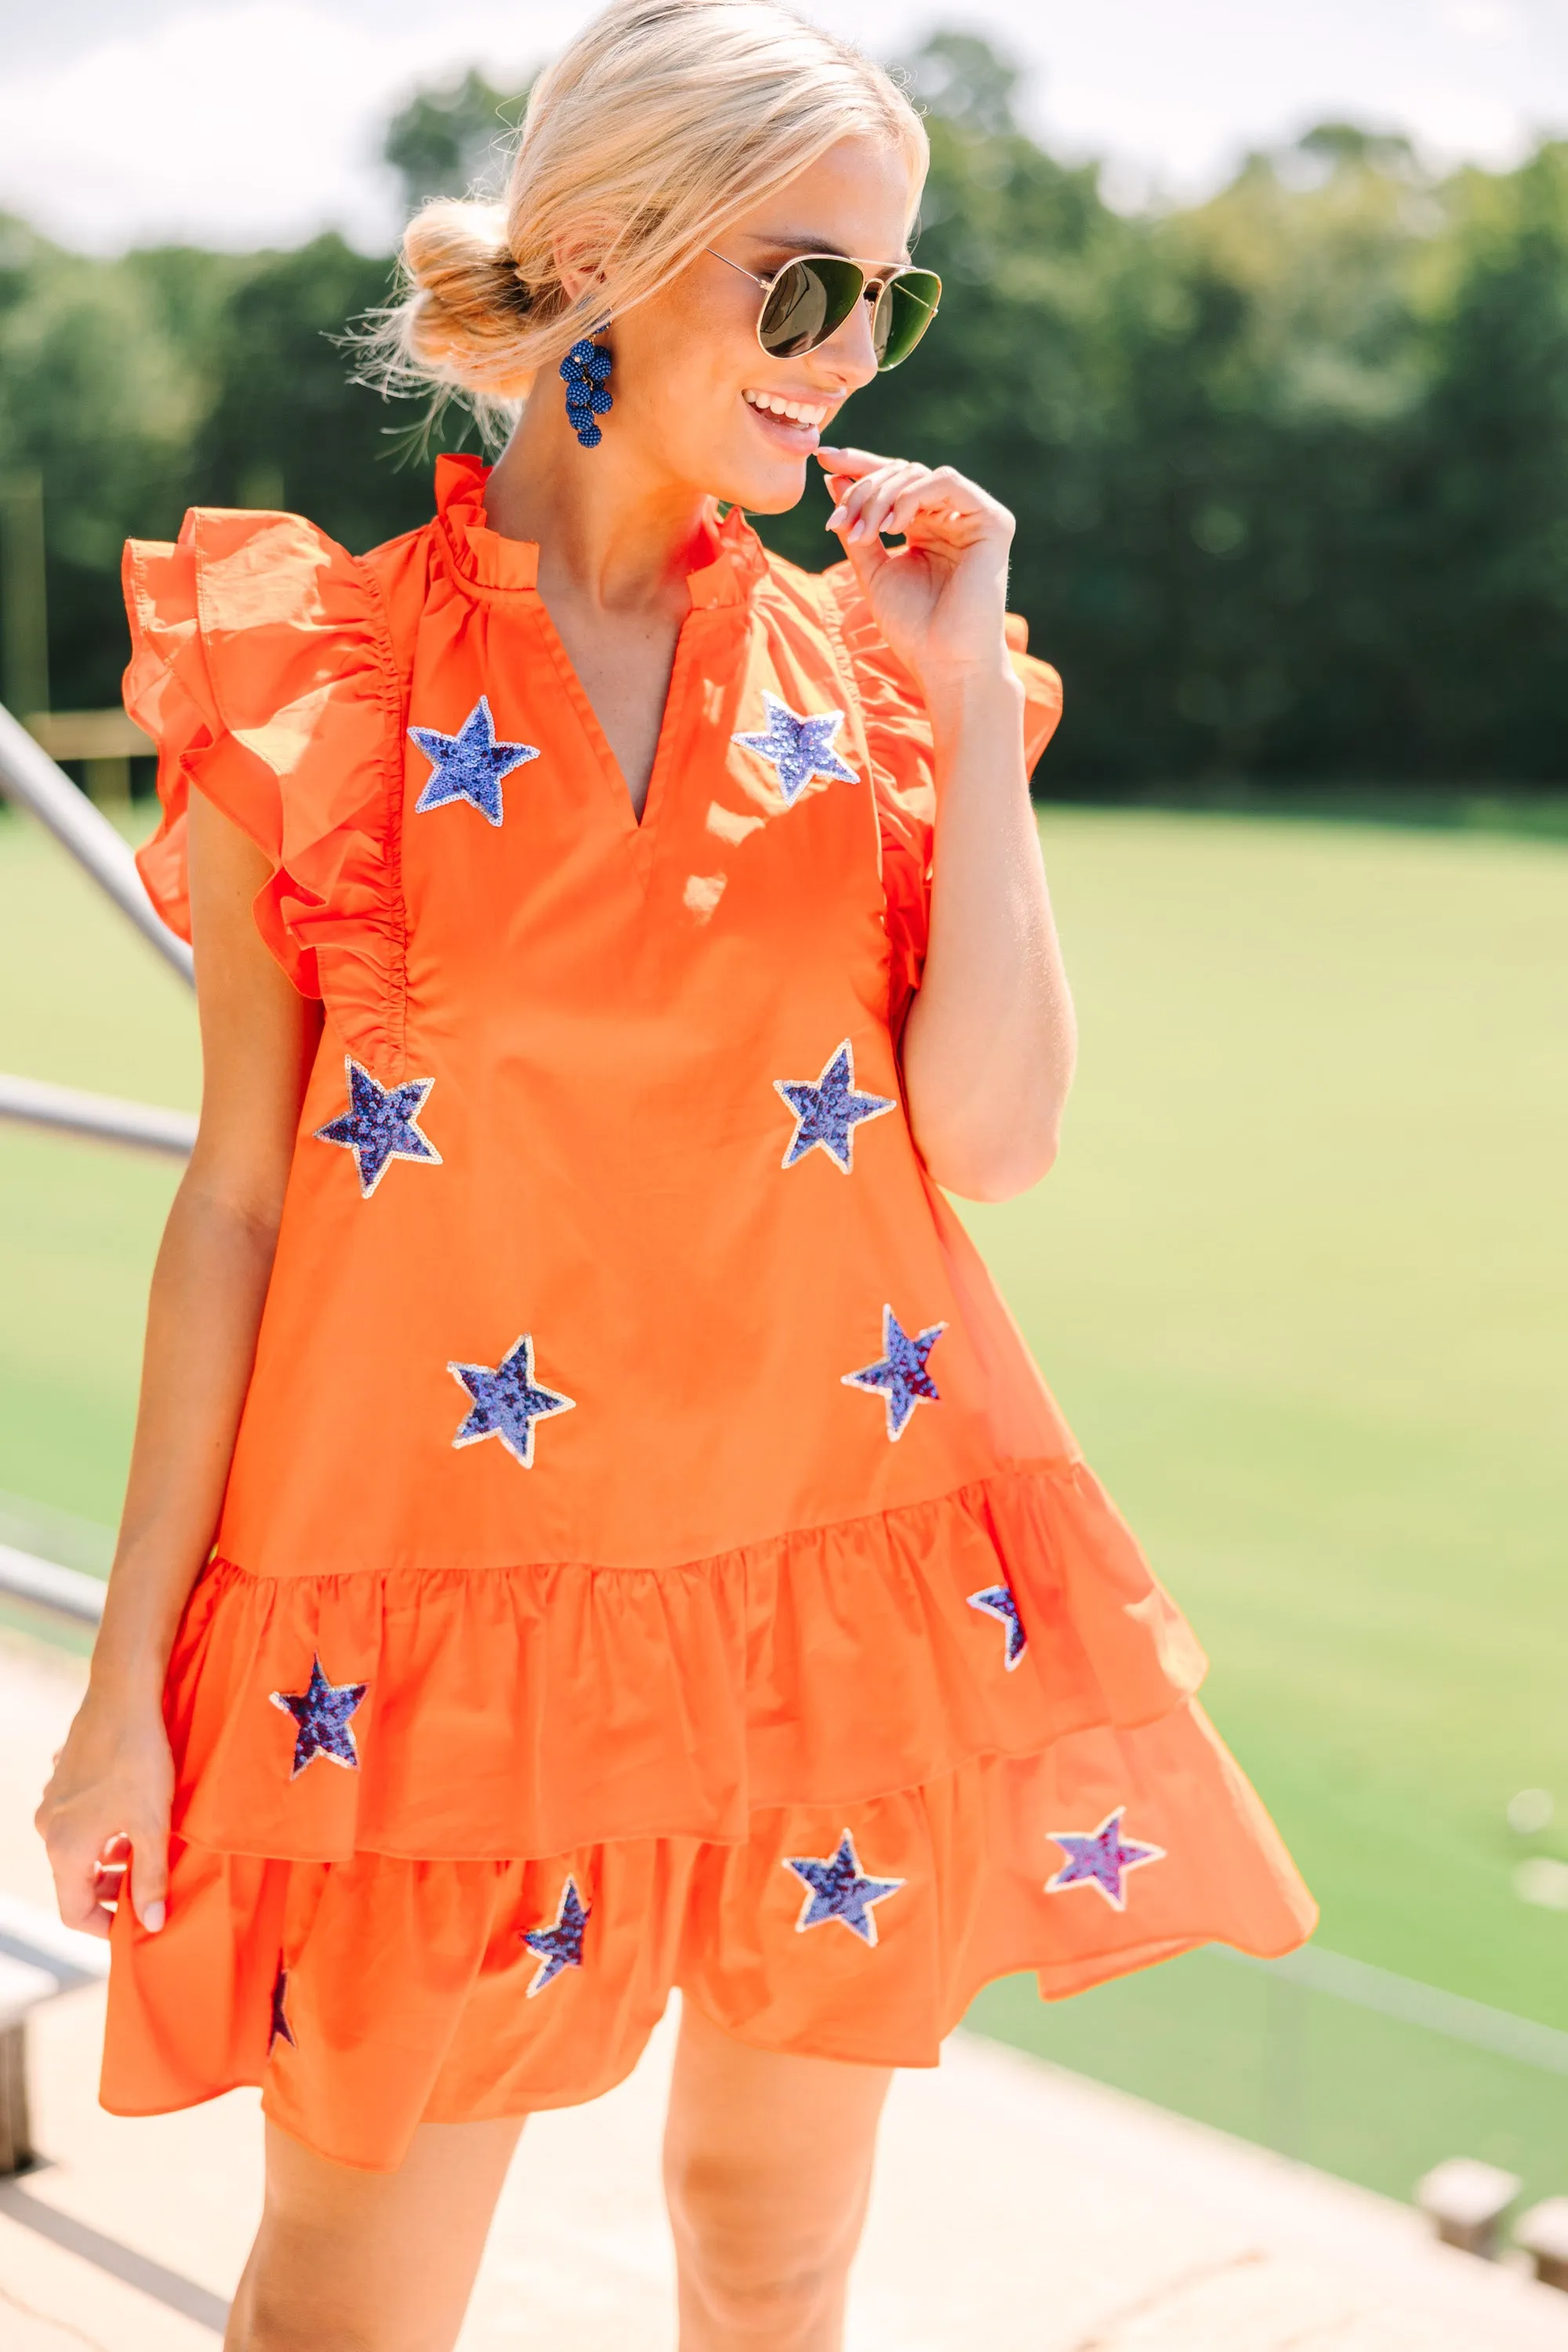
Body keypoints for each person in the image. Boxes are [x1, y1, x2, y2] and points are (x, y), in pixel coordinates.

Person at [36, 3, 1316, 2345]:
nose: (850, 354)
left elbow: (1000, 1146)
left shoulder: (867, 672)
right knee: (347, 2289)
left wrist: (964, 722)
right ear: (616, 251)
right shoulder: (317, 678)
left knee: (776, 2252)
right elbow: (232, 1202)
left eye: (891, 298)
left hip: (829, 1596)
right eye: (803, 282)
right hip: (425, 1638)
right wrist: (127, 1688)